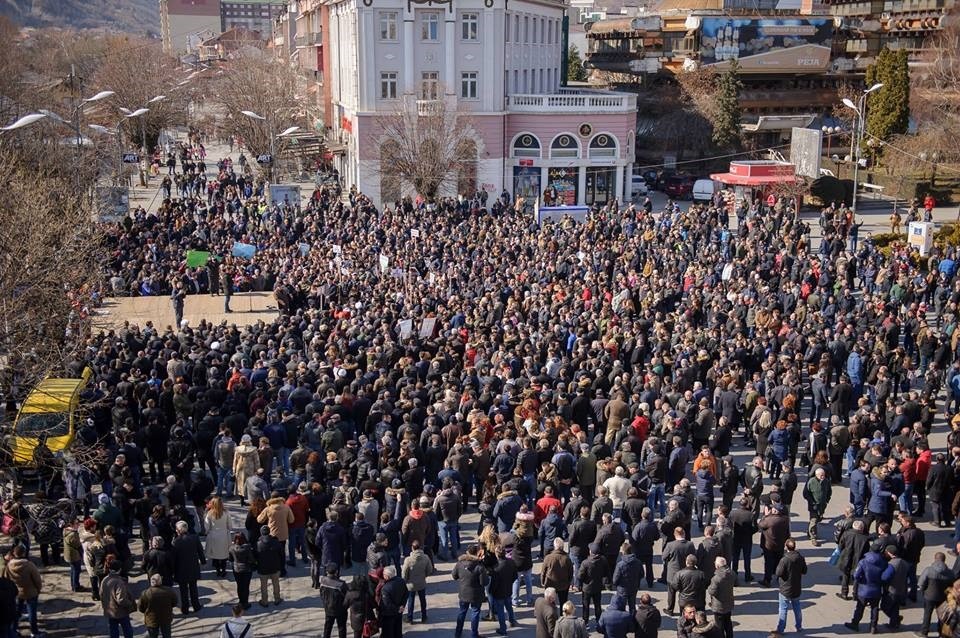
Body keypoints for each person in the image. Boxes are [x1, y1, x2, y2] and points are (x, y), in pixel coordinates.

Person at [844, 545, 893, 633]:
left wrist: (861, 581)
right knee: (875, 608)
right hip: (877, 589)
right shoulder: (884, 562)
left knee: (860, 608)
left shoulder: (863, 562)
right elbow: (885, 576)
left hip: (864, 589)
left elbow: (856, 575)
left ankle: (855, 624)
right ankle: (873, 626)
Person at [6, 544, 42, 638]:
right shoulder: (29, 565)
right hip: (30, 591)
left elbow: (7, 578)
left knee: (17, 611)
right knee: (32, 613)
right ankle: (34, 632)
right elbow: (37, 579)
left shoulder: (9, 565)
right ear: (24, 553)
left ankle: (14, 629)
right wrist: (38, 589)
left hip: (17, 592)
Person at [773, 539, 806, 636]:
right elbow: (804, 571)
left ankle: (781, 629)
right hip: (796, 587)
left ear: (786, 547)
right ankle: (799, 626)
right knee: (797, 607)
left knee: (783, 609)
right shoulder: (800, 557)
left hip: (785, 588)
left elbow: (778, 573)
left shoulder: (784, 559)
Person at [453, 545, 487, 638]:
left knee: (462, 612)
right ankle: (474, 634)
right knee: (475, 613)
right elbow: (484, 582)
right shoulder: (480, 566)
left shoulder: (459, 564)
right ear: (476, 553)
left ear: (467, 552)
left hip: (463, 593)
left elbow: (454, 576)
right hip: (476, 595)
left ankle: (458, 633)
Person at [917, 551, 955, 636]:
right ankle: (941, 633)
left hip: (929, 596)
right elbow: (952, 585)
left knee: (927, 614)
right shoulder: (949, 572)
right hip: (942, 597)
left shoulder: (928, 570)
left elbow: (921, 583)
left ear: (935, 559)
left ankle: (924, 632)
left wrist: (923, 590)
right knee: (942, 616)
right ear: (944, 560)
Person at [171, 520, 205, 615]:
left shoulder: (176, 542)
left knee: (183, 590)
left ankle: (185, 608)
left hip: (181, 570)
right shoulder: (194, 538)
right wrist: (203, 561)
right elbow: (200, 551)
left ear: (178, 530)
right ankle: (196, 606)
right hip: (193, 567)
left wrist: (172, 570)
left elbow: (173, 558)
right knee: (193, 588)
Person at [99, 560, 136, 638]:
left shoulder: (105, 579)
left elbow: (101, 594)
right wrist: (130, 603)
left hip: (110, 610)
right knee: (127, 630)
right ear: (119, 570)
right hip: (120, 611)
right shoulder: (119, 582)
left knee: (113, 630)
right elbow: (121, 600)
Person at [401, 539, 433, 624]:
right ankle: (424, 617)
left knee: (411, 601)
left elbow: (404, 573)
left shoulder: (408, 560)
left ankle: (410, 618)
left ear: (412, 548)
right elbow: (430, 570)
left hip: (411, 584)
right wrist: (424, 576)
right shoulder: (426, 557)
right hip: (421, 583)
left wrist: (406, 580)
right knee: (423, 600)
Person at [137, 572, 179, 638]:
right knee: (167, 635)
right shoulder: (169, 591)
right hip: (166, 618)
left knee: (153, 635)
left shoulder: (145, 593)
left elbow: (141, 608)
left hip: (151, 619)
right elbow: (174, 603)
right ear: (160, 581)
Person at [578, 543, 608, 630]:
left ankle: (585, 622)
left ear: (591, 551)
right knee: (597, 605)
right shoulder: (603, 560)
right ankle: (599, 622)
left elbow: (580, 576)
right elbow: (607, 572)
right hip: (598, 586)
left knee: (586, 605)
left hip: (587, 588)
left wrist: (582, 582)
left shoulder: (585, 563)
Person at [255, 526, 284, 607]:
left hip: (263, 569)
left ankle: (264, 601)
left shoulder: (258, 544)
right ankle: (277, 599)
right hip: (275, 567)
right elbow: (281, 554)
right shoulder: (276, 542)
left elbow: (255, 557)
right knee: (276, 584)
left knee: (263, 586)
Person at [802, 467, 831, 546]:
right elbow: (805, 494)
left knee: (818, 519)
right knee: (814, 521)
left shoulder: (826, 482)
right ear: (816, 475)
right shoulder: (811, 482)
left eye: (824, 475)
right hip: (813, 506)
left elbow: (829, 491)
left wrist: (827, 500)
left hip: (822, 506)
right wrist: (812, 502)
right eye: (821, 475)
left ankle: (809, 530)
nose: (823, 477)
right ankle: (813, 537)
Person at [318, 563, 349, 638]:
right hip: (340, 610)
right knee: (341, 628)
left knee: (327, 628)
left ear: (327, 572)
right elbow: (347, 597)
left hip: (328, 609)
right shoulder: (341, 584)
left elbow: (322, 594)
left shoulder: (322, 581)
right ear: (336, 572)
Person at [707, 556, 735, 638]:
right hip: (729, 603)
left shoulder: (716, 578)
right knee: (728, 623)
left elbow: (712, 591)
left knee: (719, 626)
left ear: (718, 566)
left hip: (719, 605)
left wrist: (709, 587)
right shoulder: (732, 573)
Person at [541, 538, 573, 606]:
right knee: (563, 602)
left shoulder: (548, 557)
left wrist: (543, 582)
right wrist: (568, 582)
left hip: (550, 584)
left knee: (550, 603)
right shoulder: (566, 558)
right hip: (563, 585)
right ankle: (563, 615)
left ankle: (551, 615)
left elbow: (543, 571)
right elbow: (571, 572)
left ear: (555, 546)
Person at [378, 565, 408, 638]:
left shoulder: (385, 588)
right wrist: (402, 606)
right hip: (399, 612)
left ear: (387, 576)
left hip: (389, 614)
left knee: (388, 632)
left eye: (384, 575)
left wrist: (398, 608)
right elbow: (406, 594)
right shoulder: (401, 581)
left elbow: (387, 604)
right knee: (398, 630)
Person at [205, 497, 232, 578]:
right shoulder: (226, 513)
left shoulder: (209, 513)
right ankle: (223, 570)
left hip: (213, 536)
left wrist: (208, 532)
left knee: (215, 555)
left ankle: (218, 571)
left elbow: (206, 526)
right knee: (224, 555)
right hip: (224, 535)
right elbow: (229, 525)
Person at [229, 533, 256, 610]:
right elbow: (251, 559)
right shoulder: (247, 548)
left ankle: (241, 601)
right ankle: (245, 602)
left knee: (239, 585)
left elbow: (230, 559)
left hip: (236, 569)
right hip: (246, 570)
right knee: (246, 586)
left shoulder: (232, 548)